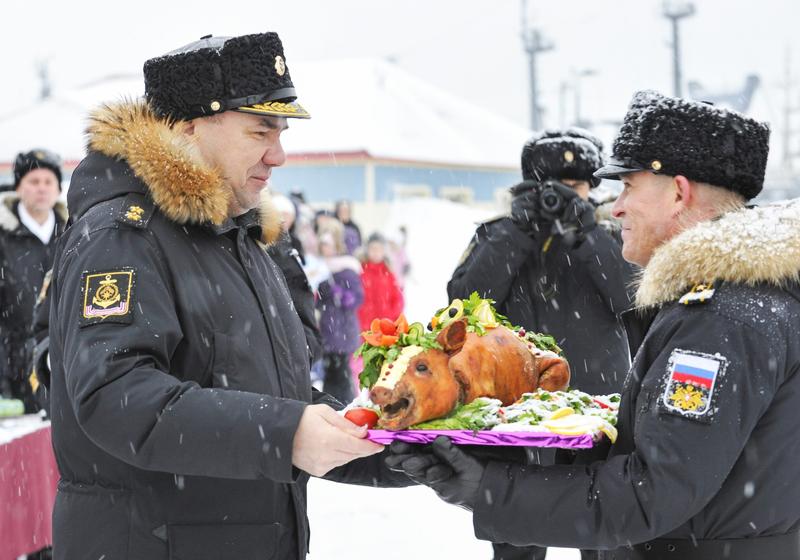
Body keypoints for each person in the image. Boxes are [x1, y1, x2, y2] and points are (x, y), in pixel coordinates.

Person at [388, 91, 800, 559]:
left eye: (627, 186)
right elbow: (463, 302)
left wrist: (489, 491)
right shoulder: (735, 299)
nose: (617, 206)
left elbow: (653, 491)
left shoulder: (723, 318)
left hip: (605, 434)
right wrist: (517, 233)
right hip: (539, 428)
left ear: (679, 193)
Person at [47, 33, 410, 560]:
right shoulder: (123, 235)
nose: (278, 155)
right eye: (260, 131)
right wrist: (284, 434)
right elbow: (117, 397)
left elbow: (273, 398)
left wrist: (400, 447)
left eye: (280, 134)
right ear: (188, 127)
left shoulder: (241, 240)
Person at [449, 129, 636, 398]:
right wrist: (515, 232)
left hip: (595, 399)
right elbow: (463, 306)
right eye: (554, 187)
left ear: (591, 188)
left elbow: (636, 303)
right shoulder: (497, 233)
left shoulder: (614, 231)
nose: (563, 197)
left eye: (574, 188)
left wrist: (587, 235)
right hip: (513, 397)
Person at [0, 149, 66, 412]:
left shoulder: (74, 233)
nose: (42, 188)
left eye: (49, 181)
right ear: (18, 187)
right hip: (12, 368)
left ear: (58, 189)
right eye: (34, 181)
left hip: (60, 366)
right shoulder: (4, 238)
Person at [316, 218, 363, 403]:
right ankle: (333, 403)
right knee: (331, 372)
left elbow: (356, 298)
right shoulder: (322, 268)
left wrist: (340, 294)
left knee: (340, 372)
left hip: (342, 329)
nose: (324, 249)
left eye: (328, 245)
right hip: (328, 329)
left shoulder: (346, 269)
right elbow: (319, 301)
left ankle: (342, 404)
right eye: (322, 245)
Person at [357, 232, 404, 330]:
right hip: (363, 326)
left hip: (384, 326)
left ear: (384, 251)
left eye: (379, 249)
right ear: (367, 250)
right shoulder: (359, 270)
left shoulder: (389, 272)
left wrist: (391, 315)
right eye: (372, 248)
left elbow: (397, 298)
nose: (376, 252)